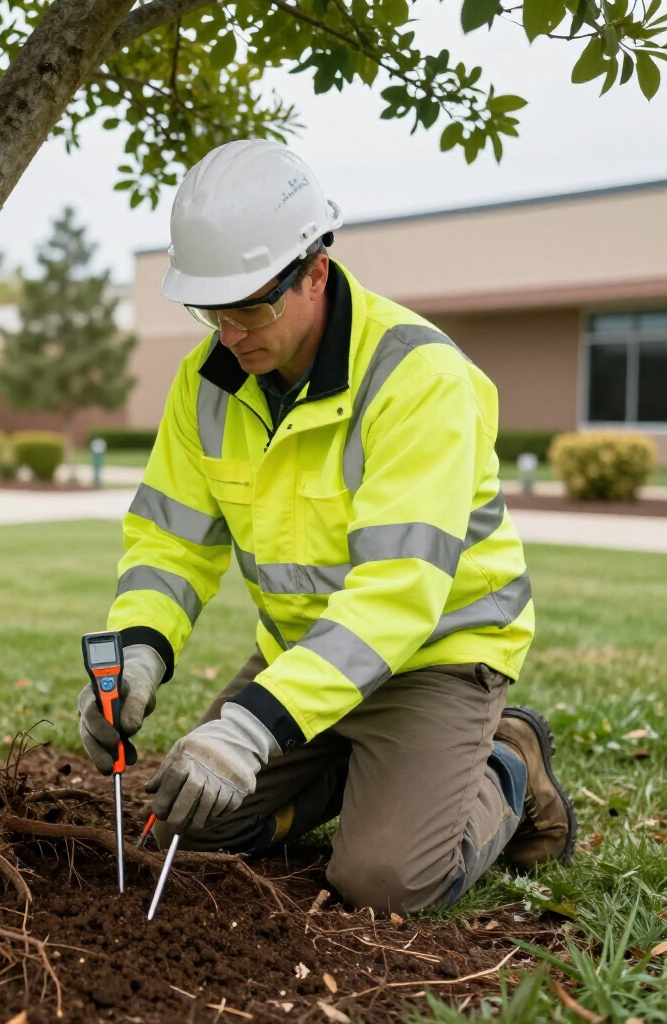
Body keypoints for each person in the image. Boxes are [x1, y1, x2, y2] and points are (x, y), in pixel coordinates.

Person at [77, 140, 576, 912]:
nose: (229, 331)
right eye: (211, 308)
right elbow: (171, 539)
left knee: (382, 882)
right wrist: (142, 647)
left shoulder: (418, 379)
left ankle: (507, 762)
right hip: (306, 656)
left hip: (433, 655)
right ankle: (359, 767)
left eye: (250, 304)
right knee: (190, 823)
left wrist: (253, 727)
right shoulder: (206, 382)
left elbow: (397, 592)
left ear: (315, 271)